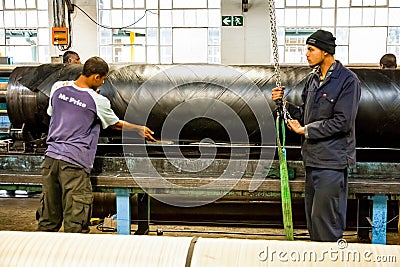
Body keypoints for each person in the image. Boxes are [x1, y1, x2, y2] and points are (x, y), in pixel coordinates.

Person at [37, 56, 156, 233]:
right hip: (74, 163)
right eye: (103, 79)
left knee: (48, 219)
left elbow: (52, 113)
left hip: (51, 159)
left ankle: (42, 257)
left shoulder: (57, 88)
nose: (102, 84)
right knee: (76, 221)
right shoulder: (97, 101)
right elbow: (115, 124)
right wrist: (138, 128)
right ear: (96, 77)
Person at [272, 29, 361, 242]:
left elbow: (343, 122)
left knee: (326, 223)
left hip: (332, 162)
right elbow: (305, 114)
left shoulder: (348, 81)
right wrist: (282, 105)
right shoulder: (312, 80)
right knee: (314, 221)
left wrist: (307, 131)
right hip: (312, 160)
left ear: (326, 52)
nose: (306, 54)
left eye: (311, 49)